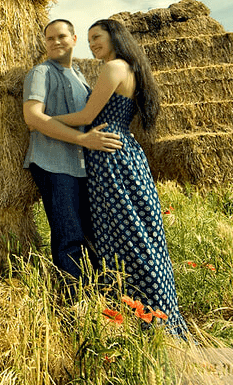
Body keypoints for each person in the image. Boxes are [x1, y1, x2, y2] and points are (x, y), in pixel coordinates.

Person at [51, 18, 188, 335]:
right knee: (138, 236)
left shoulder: (114, 68)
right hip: (121, 153)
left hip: (111, 158)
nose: (92, 44)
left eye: (97, 37)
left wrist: (45, 118)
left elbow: (87, 117)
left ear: (114, 36)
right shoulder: (128, 68)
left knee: (127, 237)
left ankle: (148, 320)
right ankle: (152, 315)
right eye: (88, 40)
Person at [22, 19, 122, 283]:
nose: (56, 42)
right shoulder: (41, 73)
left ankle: (100, 298)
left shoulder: (79, 75)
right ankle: (73, 303)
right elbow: (32, 117)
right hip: (53, 163)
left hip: (81, 165)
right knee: (69, 235)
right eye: (50, 38)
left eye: (62, 37)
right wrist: (83, 140)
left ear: (74, 39)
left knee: (92, 232)